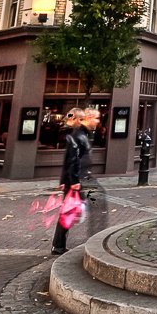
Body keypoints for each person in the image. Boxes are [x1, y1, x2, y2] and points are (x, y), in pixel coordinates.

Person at [50, 107, 105, 254]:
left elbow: (68, 159)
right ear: (87, 118)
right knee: (74, 211)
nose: (98, 121)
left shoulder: (82, 134)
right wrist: (73, 181)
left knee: (70, 211)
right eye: (96, 118)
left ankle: (59, 245)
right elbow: (73, 160)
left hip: (76, 180)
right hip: (76, 181)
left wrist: (63, 180)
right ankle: (60, 245)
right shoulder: (79, 135)